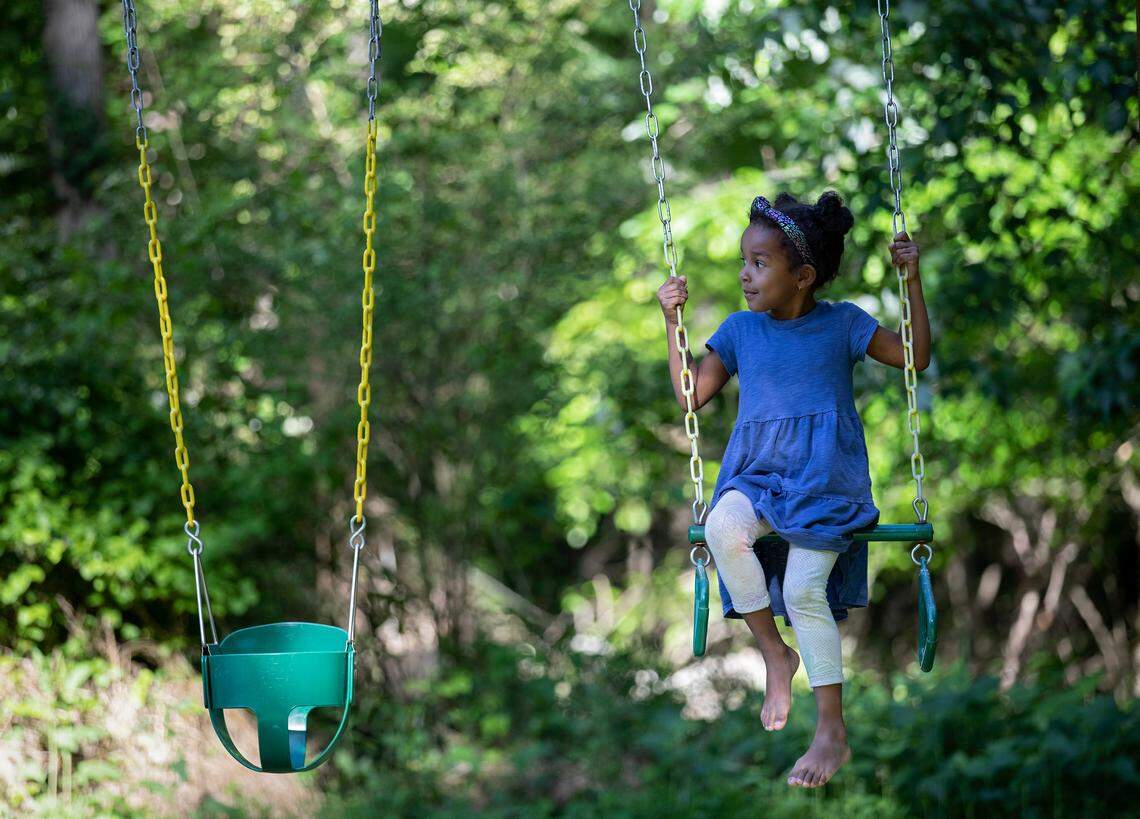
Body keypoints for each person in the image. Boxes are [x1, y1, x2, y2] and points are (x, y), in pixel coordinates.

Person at [656, 191, 931, 788]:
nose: (744, 274)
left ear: (802, 277)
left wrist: (910, 280)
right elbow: (690, 396)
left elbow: (914, 356)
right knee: (725, 529)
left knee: (806, 588)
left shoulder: (843, 324)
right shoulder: (738, 333)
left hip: (823, 483)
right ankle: (774, 652)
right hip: (755, 475)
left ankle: (831, 729)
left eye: (759, 263)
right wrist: (672, 320)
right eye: (743, 260)